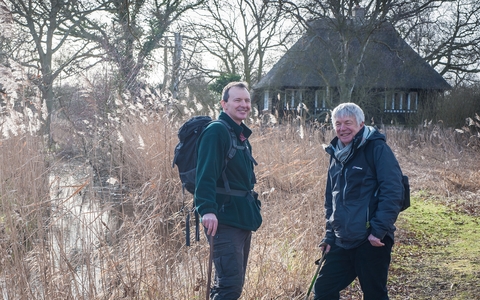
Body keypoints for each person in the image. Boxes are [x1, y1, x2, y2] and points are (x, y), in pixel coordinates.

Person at [314, 102, 404, 300]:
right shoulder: (336, 153)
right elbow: (331, 198)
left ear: (361, 125)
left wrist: (378, 230)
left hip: (371, 239)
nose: (342, 128)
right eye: (338, 123)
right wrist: (330, 235)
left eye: (348, 123)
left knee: (374, 294)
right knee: (323, 289)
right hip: (342, 239)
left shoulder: (377, 149)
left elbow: (394, 191)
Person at [195, 81, 262, 299]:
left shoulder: (240, 134)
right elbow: (204, 175)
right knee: (229, 286)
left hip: (242, 218)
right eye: (237, 100)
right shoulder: (217, 132)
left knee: (231, 284)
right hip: (223, 220)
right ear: (224, 104)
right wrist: (207, 210)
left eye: (247, 100)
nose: (244, 105)